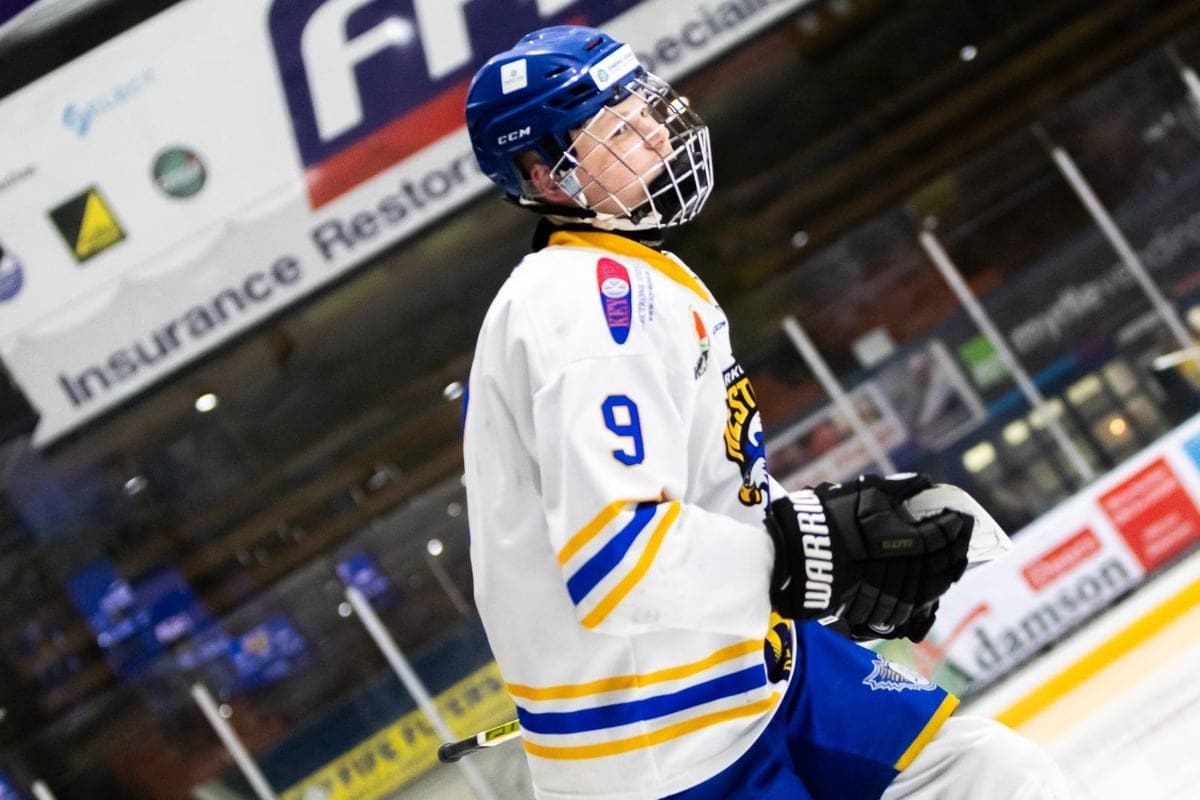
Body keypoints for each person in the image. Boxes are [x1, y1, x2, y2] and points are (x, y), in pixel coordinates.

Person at [461, 25, 1069, 800]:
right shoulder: (583, 309)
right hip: (663, 739)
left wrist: (821, 543)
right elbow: (620, 562)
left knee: (990, 775)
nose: (652, 129)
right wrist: (812, 558)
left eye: (641, 104)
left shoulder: (630, 274)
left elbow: (707, 495)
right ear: (546, 177)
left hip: (753, 665)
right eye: (616, 129)